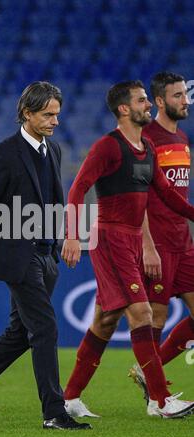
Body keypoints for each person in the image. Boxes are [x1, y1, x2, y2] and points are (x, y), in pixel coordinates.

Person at [0, 81, 91, 430]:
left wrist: (68, 237)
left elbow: (55, 200)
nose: (55, 121)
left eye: (57, 115)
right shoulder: (3, 154)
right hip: (17, 257)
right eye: (47, 115)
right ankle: (54, 413)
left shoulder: (52, 151)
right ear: (26, 113)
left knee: (20, 334)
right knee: (45, 328)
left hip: (45, 256)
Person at [62, 80, 194, 419]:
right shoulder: (108, 147)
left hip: (133, 239)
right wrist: (72, 236)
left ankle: (70, 397)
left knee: (106, 321)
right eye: (142, 101)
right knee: (143, 314)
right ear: (124, 109)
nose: (149, 105)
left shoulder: (147, 147)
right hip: (111, 239)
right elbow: (78, 189)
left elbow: (166, 195)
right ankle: (161, 400)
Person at [129, 72, 194, 401]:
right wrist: (147, 244)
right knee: (157, 314)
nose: (185, 100)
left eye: (185, 94)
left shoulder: (182, 138)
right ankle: (156, 392)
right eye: (178, 95)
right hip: (156, 242)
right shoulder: (146, 139)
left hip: (183, 240)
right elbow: (137, 197)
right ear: (158, 101)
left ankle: (146, 372)